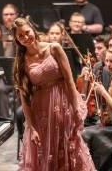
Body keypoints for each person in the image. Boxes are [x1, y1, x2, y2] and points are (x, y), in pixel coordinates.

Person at [13, 17, 95, 170]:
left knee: (67, 148)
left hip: (63, 104)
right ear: (16, 40)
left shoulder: (54, 48)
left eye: (26, 32)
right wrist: (31, 128)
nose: (25, 38)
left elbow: (70, 81)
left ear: (32, 29)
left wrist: (76, 107)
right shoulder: (22, 60)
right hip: (41, 110)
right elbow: (24, 98)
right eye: (20, 36)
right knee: (45, 152)